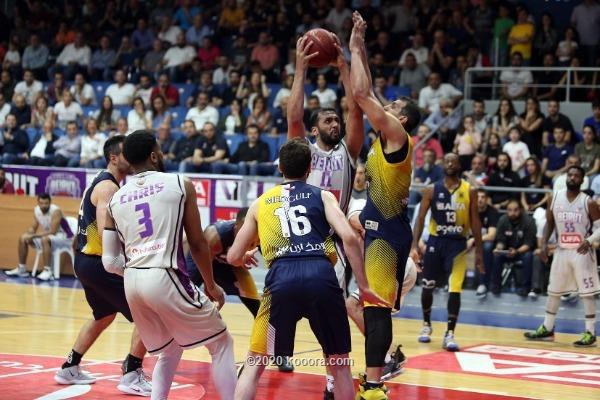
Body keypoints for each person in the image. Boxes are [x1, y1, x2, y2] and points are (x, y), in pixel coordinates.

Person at [227, 138, 384, 400]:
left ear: (280, 168)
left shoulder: (260, 203)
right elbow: (350, 237)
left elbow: (232, 257)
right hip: (321, 275)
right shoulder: (323, 196)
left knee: (254, 363)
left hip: (281, 278)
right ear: (310, 168)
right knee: (339, 364)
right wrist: (364, 286)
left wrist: (244, 256)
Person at [102, 131, 236, 399]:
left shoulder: (115, 200)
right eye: (160, 150)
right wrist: (211, 286)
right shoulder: (179, 183)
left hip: (132, 283)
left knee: (170, 349)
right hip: (164, 275)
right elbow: (198, 244)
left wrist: (137, 270)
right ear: (154, 156)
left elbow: (109, 261)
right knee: (222, 342)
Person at [287, 31, 367, 396]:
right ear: (314, 129)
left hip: (331, 245)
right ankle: (262, 360)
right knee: (283, 309)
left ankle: (335, 379)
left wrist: (344, 67)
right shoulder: (303, 151)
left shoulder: (347, 153)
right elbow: (293, 115)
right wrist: (301, 68)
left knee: (331, 314)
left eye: (337, 120)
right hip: (298, 240)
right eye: (328, 120)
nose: (335, 124)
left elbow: (356, 108)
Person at [350, 12, 422, 398]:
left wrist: (354, 48)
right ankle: (373, 377)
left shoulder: (397, 136)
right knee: (372, 306)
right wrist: (360, 48)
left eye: (392, 105)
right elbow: (368, 93)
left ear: (402, 118)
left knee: (375, 308)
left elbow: (363, 96)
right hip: (381, 228)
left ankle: (375, 384)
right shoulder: (386, 137)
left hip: (387, 235)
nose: (385, 106)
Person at [53, 136, 151, 395]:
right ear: (113, 158)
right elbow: (108, 230)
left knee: (103, 314)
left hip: (85, 261)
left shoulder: (100, 180)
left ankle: (69, 367)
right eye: (126, 153)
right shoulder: (108, 188)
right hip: (100, 263)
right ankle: (132, 373)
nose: (132, 156)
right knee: (148, 312)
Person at [411, 153, 483, 351]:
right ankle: (426, 325)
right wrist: (414, 245)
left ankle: (450, 333)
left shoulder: (470, 190)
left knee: (455, 287)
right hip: (436, 242)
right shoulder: (431, 189)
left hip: (458, 245)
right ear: (442, 165)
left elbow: (475, 221)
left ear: (460, 166)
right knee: (428, 285)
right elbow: (420, 218)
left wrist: (479, 251)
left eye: (454, 161)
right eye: (447, 161)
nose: (450, 163)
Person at [524, 165, 600, 347]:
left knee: (587, 293)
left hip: (582, 252)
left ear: (582, 180)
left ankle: (590, 332)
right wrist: (543, 244)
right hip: (561, 250)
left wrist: (589, 240)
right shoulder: (554, 197)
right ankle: (548, 328)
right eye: (570, 175)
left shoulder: (588, 202)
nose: (572, 178)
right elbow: (549, 223)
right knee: (554, 290)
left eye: (576, 176)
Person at [5, 193, 73, 280]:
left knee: (45, 239)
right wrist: (29, 233)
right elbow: (33, 227)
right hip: (50, 237)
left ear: (50, 203)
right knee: (23, 238)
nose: (43, 205)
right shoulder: (37, 210)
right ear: (38, 203)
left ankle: (48, 271)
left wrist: (33, 236)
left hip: (65, 237)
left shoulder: (56, 211)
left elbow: (53, 232)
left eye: (46, 203)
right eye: (41, 203)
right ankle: (22, 269)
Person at [491, 199, 537, 296]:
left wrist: (516, 251)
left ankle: (525, 288)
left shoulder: (529, 221)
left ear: (521, 210)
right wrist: (499, 249)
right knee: (497, 255)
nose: (512, 213)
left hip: (522, 251)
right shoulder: (503, 220)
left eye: (515, 210)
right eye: (510, 210)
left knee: (528, 256)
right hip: (507, 251)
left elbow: (529, 243)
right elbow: (501, 240)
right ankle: (496, 286)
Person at [473, 190, 499, 298]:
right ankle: (449, 282)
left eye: (483, 197)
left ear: (487, 199)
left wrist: (474, 240)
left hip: (483, 242)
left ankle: (483, 284)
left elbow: (491, 235)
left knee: (487, 247)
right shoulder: (469, 210)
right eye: (477, 197)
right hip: (471, 240)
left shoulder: (492, 212)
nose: (480, 200)